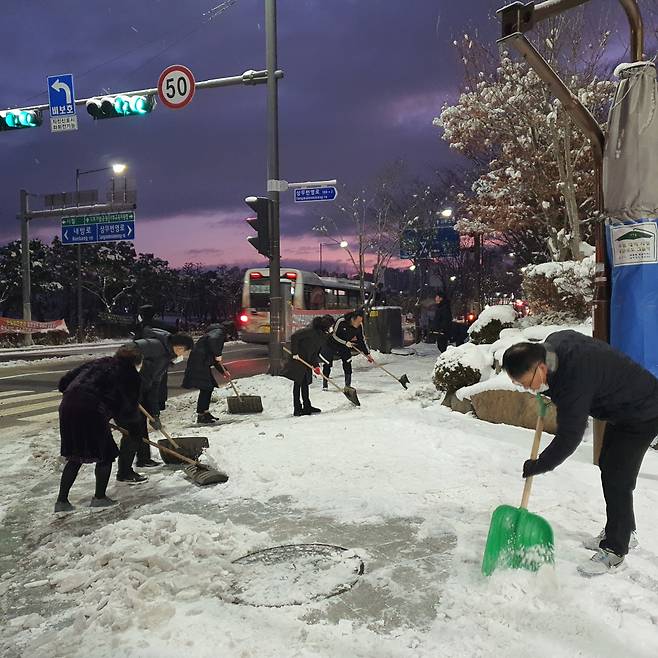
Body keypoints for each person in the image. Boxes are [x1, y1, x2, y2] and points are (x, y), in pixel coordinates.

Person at [501, 330, 658, 576]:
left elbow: (570, 436)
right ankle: (624, 530)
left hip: (643, 411)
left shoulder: (574, 379)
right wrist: (546, 391)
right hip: (622, 407)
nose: (528, 390)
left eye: (526, 384)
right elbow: (562, 375)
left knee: (618, 478)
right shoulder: (554, 344)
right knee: (609, 465)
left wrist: (540, 464)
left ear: (541, 367)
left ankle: (616, 551)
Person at [55, 346, 143, 513]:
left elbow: (63, 383)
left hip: (68, 406)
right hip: (92, 409)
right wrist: (133, 429)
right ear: (136, 362)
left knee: (75, 455)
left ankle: (62, 501)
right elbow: (128, 408)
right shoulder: (131, 375)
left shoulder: (98, 362)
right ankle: (100, 498)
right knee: (105, 454)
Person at [115, 332, 194, 482]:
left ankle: (144, 459)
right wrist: (124, 387)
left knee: (141, 423)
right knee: (132, 432)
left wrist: (155, 413)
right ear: (179, 347)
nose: (185, 354)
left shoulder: (165, 357)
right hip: (123, 393)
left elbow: (154, 386)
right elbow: (124, 353)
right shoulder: (154, 346)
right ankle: (124, 473)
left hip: (138, 392)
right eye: (186, 351)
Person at [282, 315, 335, 416]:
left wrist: (316, 366)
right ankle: (297, 409)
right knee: (298, 383)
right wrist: (295, 353)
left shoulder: (322, 336)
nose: (332, 328)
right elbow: (294, 337)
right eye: (331, 326)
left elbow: (315, 352)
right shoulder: (310, 331)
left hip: (307, 361)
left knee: (305, 383)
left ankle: (307, 406)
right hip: (298, 360)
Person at [182, 323, 228, 424]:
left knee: (208, 387)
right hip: (200, 363)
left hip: (201, 362)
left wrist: (224, 371)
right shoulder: (218, 333)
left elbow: (215, 359)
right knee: (206, 387)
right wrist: (218, 354)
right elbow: (214, 346)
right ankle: (201, 415)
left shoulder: (212, 333)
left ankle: (204, 413)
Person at [320, 309, 374, 390]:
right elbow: (334, 335)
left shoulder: (359, 326)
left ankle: (347, 385)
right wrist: (345, 342)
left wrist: (367, 354)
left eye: (361, 321)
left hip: (344, 346)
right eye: (358, 321)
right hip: (332, 344)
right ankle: (325, 383)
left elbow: (361, 340)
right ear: (353, 319)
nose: (359, 323)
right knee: (327, 363)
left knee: (347, 362)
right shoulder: (341, 321)